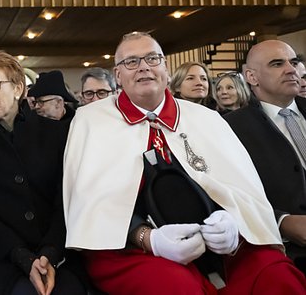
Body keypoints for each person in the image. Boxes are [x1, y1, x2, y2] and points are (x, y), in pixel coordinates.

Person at [63, 32, 306, 294]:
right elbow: (90, 202)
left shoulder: (206, 118)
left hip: (218, 241)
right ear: (118, 75)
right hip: (130, 247)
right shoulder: (91, 120)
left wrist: (233, 224)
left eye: (152, 58)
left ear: (166, 69)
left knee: (275, 274)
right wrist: (148, 239)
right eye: (131, 62)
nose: (144, 66)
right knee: (178, 287)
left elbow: (240, 187)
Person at [0, 51, 86, 295]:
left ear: (18, 88)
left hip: (57, 249)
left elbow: (66, 200)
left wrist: (50, 251)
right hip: (0, 254)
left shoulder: (56, 134)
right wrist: (21, 256)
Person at [224, 40, 306, 272]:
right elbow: (228, 191)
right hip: (286, 249)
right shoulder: (230, 127)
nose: (291, 69)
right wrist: (282, 221)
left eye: (294, 62)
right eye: (277, 63)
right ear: (252, 77)